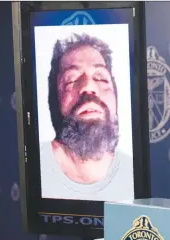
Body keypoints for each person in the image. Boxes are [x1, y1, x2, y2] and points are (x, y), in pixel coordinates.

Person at [39, 33, 134, 202]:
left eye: (101, 78)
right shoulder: (30, 169)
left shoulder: (137, 175)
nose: (88, 87)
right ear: (55, 99)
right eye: (71, 80)